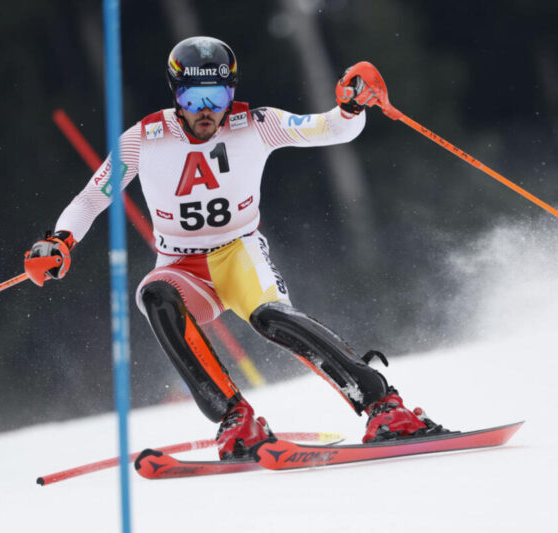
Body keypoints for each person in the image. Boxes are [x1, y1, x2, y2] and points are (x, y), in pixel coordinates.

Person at [25, 36, 444, 460]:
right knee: (154, 294)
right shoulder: (144, 138)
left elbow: (332, 129)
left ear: (232, 92)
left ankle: (383, 405)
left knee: (271, 318)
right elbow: (92, 198)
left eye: (218, 96)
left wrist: (352, 105)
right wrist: (59, 241)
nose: (206, 110)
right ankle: (235, 419)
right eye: (193, 98)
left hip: (238, 254)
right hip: (182, 266)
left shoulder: (255, 124)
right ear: (176, 94)